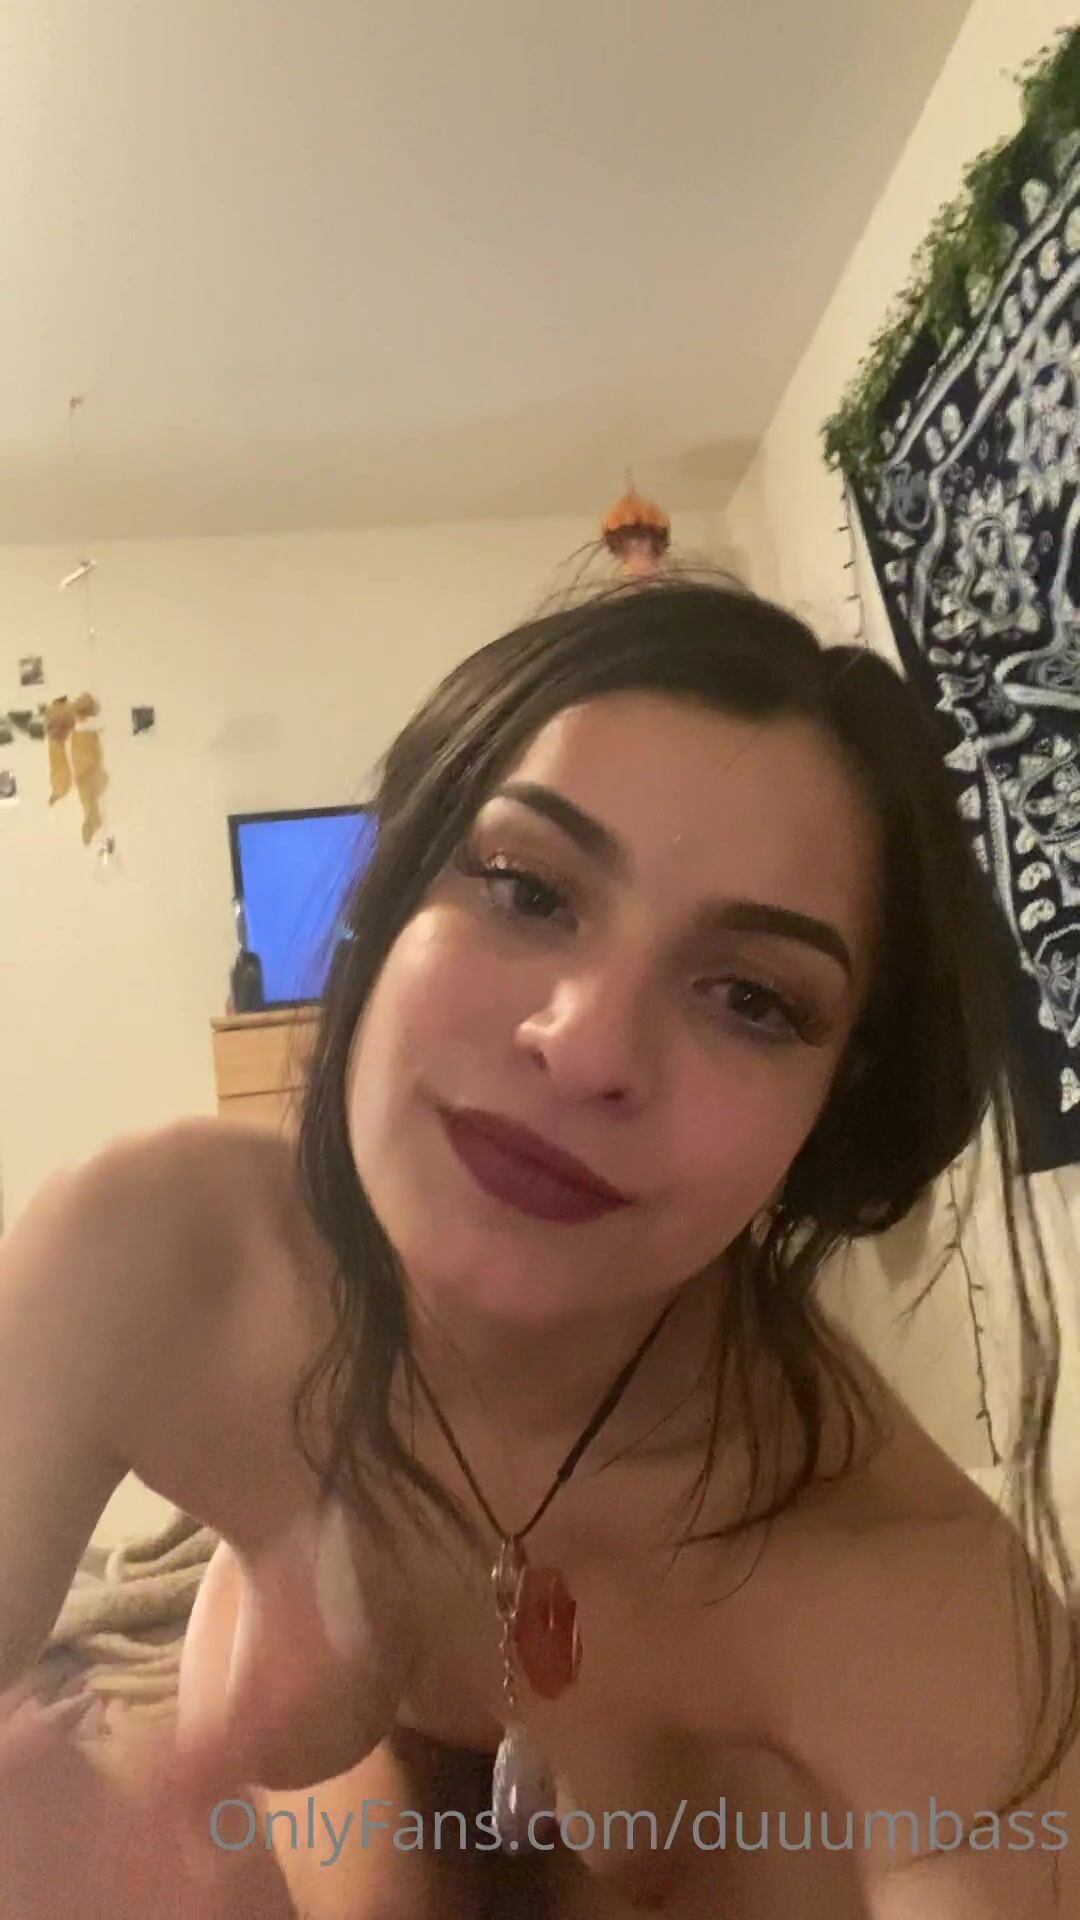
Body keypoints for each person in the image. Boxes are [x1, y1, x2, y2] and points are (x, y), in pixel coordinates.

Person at [1, 572, 1078, 1919]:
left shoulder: (908, 1594)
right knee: (222, 1746)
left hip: (672, 1803)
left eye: (751, 998)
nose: (584, 1044)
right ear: (394, 893)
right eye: (525, 887)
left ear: (835, 1104)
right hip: (337, 1697)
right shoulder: (159, 1258)